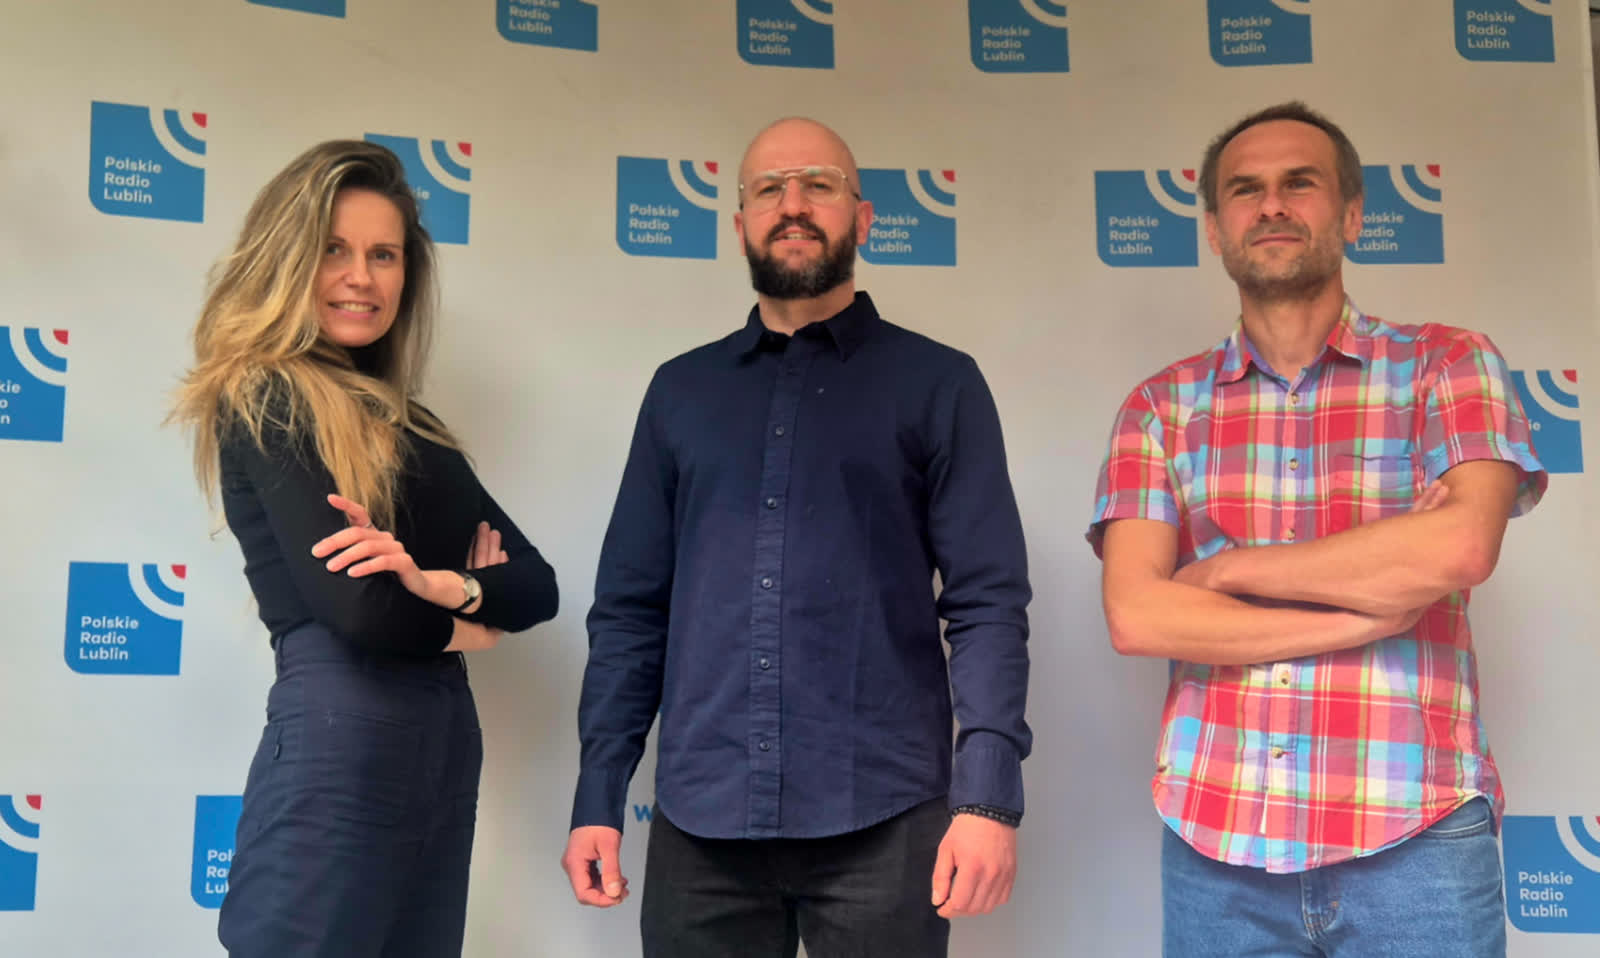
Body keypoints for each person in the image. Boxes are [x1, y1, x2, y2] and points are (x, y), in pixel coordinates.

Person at [561, 117, 1032, 957]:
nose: (793, 205)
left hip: (884, 817)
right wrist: (600, 791)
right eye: (769, 189)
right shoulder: (679, 392)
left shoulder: (940, 383)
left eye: (819, 184)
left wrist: (988, 796)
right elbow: (631, 609)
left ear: (864, 216)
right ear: (739, 221)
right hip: (702, 821)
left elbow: (987, 602)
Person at [1089, 101, 1546, 957]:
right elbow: (1138, 615)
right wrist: (1362, 613)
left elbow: (1460, 547)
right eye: (1244, 189)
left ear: (1353, 214)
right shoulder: (1159, 407)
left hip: (1415, 834)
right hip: (1218, 838)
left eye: (1300, 183)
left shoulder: (1449, 364)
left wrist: (1226, 571)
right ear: (1214, 228)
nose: (1271, 205)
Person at [170, 140, 559, 957]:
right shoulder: (267, 394)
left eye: (384, 255)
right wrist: (473, 627)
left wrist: (444, 587)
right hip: (340, 738)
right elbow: (363, 611)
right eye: (334, 250)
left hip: (442, 748)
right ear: (289, 261)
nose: (362, 277)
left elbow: (536, 586)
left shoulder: (415, 425)